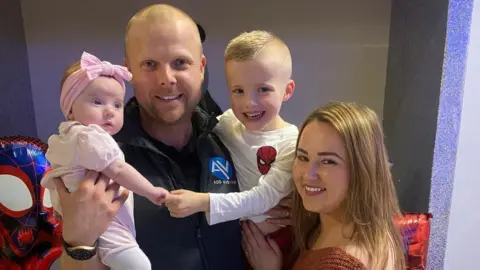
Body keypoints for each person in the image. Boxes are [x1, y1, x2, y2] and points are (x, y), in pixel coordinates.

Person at [52, 4, 291, 270]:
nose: (166, 79)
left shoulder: (229, 136)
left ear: (200, 68)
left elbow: (262, 208)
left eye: (180, 63)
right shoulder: (96, 155)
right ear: (129, 70)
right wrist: (77, 241)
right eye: (150, 64)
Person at [164, 30, 297, 251]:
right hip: (237, 242)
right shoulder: (228, 124)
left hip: (280, 244)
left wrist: (202, 202)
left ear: (287, 90)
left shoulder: (293, 144)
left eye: (263, 89)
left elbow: (262, 199)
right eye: (238, 91)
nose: (249, 103)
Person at [41, 51, 169, 270]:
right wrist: (150, 191)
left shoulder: (64, 138)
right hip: (109, 226)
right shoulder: (88, 136)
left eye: (118, 104)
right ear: (70, 109)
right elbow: (118, 170)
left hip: (84, 222)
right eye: (98, 102)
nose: (110, 111)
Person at [241, 102, 406, 269]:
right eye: (303, 158)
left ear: (363, 169)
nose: (307, 175)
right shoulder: (369, 227)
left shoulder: (340, 264)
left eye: (328, 161)